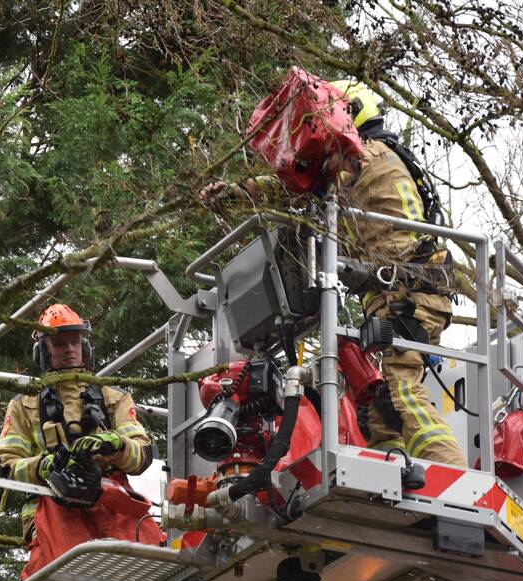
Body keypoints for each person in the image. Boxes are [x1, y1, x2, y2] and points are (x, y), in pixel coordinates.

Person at [200, 79, 466, 468]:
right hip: (400, 293)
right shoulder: (382, 156)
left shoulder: (364, 159)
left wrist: (240, 194)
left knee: (403, 391)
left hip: (409, 295)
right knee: (381, 410)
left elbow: (299, 186)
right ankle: (398, 481)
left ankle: (454, 480)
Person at [0, 304, 163, 575]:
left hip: (109, 499)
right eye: (60, 343)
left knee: (146, 560)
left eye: (74, 341)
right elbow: (6, 466)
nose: (70, 349)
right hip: (51, 504)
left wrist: (115, 445)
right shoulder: (23, 405)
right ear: (44, 351)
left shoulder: (113, 396)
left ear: (84, 346)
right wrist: (45, 466)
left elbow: (142, 456)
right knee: (55, 575)